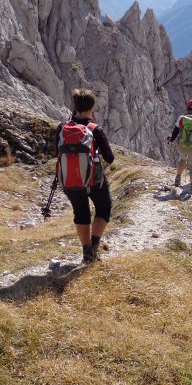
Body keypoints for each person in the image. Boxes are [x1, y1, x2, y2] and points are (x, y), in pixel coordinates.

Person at [55, 88, 114, 264]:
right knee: (104, 207)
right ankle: (94, 248)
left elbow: (55, 152)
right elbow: (110, 157)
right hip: (93, 178)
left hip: (69, 178)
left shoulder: (62, 127)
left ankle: (86, 252)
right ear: (92, 107)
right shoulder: (94, 129)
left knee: (81, 213)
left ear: (75, 106)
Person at [167, 99, 192, 188]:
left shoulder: (181, 118)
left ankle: (177, 179)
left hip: (182, 145)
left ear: (187, 108)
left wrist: (171, 140)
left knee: (182, 160)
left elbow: (175, 132)